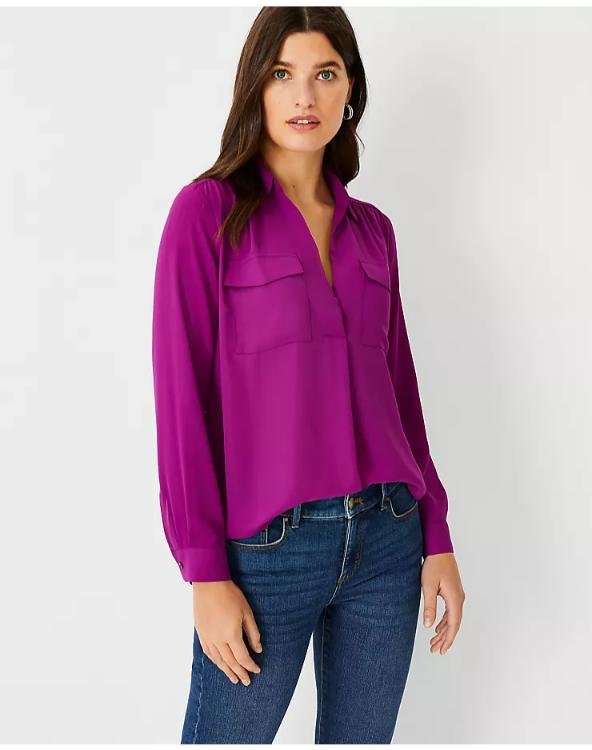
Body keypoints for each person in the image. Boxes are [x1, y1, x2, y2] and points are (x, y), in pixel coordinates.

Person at [151, 6, 465, 744]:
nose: (304, 97)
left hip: (388, 542)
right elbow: (181, 401)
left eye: (325, 74)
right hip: (267, 553)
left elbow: (399, 389)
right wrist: (205, 572)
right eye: (282, 74)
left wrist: (437, 532)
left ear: (349, 90)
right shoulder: (206, 215)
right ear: (254, 88)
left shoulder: (373, 231)